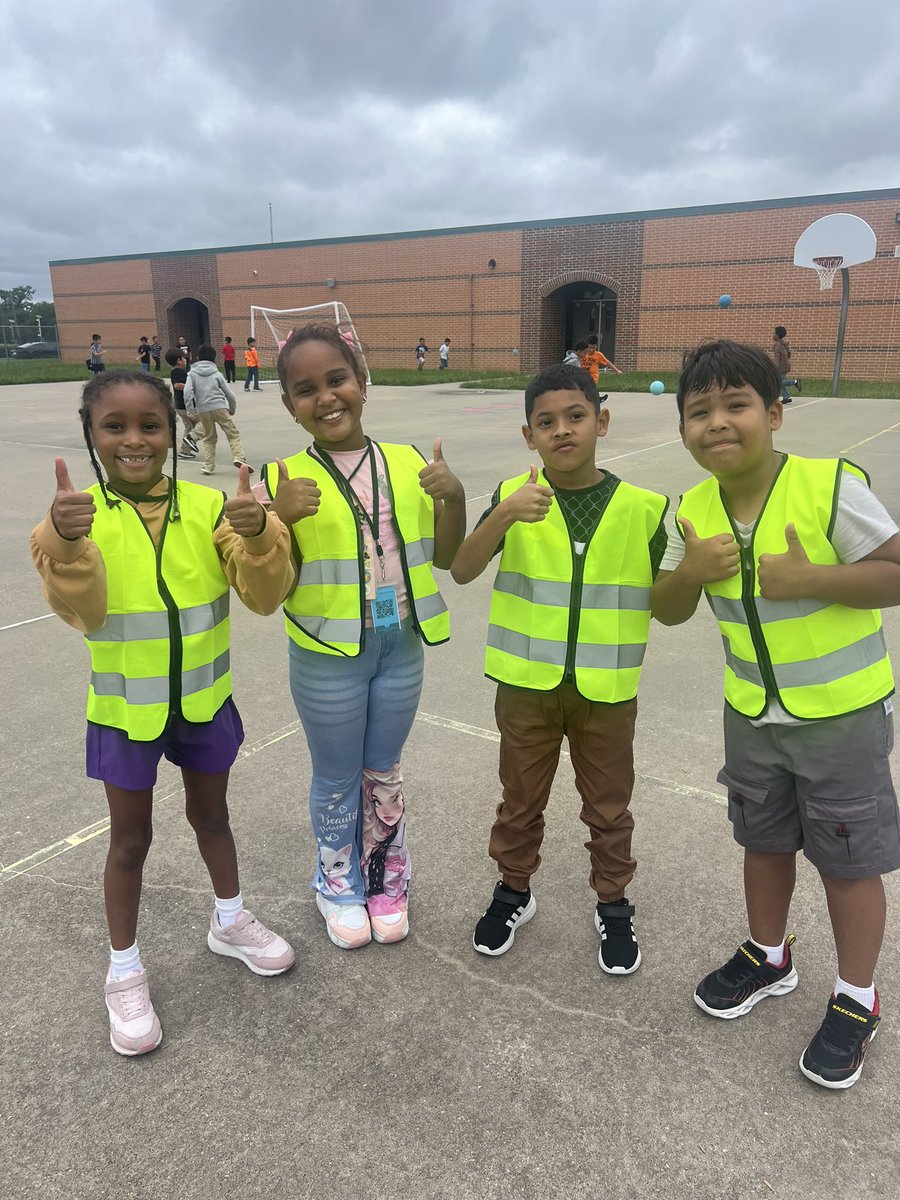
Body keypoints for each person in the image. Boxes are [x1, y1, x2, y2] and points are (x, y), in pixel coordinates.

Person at [651, 339, 900, 1089]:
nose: (717, 423)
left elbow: (895, 571)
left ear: (775, 413)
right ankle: (769, 955)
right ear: (684, 428)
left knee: (847, 860)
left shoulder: (827, 487)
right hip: (752, 716)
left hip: (841, 717)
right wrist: (689, 572)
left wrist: (814, 578)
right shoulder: (690, 511)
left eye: (737, 405)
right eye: (699, 411)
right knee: (762, 842)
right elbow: (665, 609)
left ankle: (857, 997)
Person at [30, 369, 297, 1056]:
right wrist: (66, 545)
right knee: (130, 841)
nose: (134, 439)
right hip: (126, 711)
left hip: (204, 699)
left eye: (149, 424)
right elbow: (84, 614)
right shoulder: (72, 519)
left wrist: (262, 533)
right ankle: (123, 971)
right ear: (91, 436)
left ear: (171, 430)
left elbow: (265, 596)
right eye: (114, 426)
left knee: (213, 816)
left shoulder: (210, 508)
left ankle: (230, 921)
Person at [451, 363, 668, 971]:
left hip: (607, 690)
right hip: (526, 686)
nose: (562, 430)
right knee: (519, 799)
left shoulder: (645, 509)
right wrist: (501, 514)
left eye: (576, 416)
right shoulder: (511, 498)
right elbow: (463, 569)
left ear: (601, 421)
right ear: (529, 437)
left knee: (608, 805)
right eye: (546, 422)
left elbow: (670, 601)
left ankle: (614, 903)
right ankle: (514, 890)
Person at [261, 323, 466, 950]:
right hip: (327, 655)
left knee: (384, 770)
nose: (325, 397)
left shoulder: (408, 462)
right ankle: (337, 879)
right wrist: (274, 520)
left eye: (337, 379)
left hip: (400, 645)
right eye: (305, 388)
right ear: (288, 403)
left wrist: (452, 496)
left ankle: (384, 873)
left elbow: (451, 555)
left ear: (363, 382)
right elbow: (266, 590)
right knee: (335, 772)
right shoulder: (280, 477)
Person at [184, 344, 251, 476]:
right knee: (232, 434)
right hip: (219, 407)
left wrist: (191, 410)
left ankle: (208, 465)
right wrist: (232, 409)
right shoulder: (217, 374)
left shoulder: (192, 374)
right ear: (214, 359)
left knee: (209, 437)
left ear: (198, 357)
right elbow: (230, 395)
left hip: (203, 410)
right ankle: (239, 457)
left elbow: (187, 392)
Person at [166, 347, 200, 459]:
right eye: (184, 359)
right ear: (179, 361)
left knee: (189, 427)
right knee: (203, 424)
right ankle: (191, 440)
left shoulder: (175, 371)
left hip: (180, 405)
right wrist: (190, 387)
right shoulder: (179, 371)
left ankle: (184, 450)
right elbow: (177, 385)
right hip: (185, 406)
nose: (186, 361)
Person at [771, 326, 801, 404]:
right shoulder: (783, 343)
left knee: (778, 382)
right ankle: (786, 397)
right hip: (786, 365)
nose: (772, 335)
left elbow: (777, 358)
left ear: (777, 335)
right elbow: (788, 355)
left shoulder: (777, 345)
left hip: (781, 366)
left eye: (774, 333)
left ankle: (795, 382)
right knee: (780, 381)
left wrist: (774, 368)